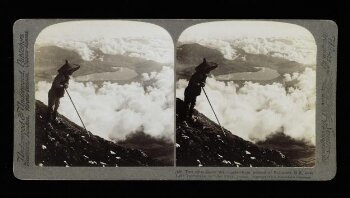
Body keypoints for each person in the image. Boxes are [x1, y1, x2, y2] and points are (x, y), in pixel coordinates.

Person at [47, 60, 80, 124]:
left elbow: (66, 85)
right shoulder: (60, 76)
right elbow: (56, 84)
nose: (72, 72)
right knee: (51, 106)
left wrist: (65, 85)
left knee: (57, 105)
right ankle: (48, 120)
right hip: (53, 93)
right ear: (67, 71)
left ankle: (53, 117)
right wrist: (63, 85)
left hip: (58, 93)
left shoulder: (66, 77)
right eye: (71, 71)